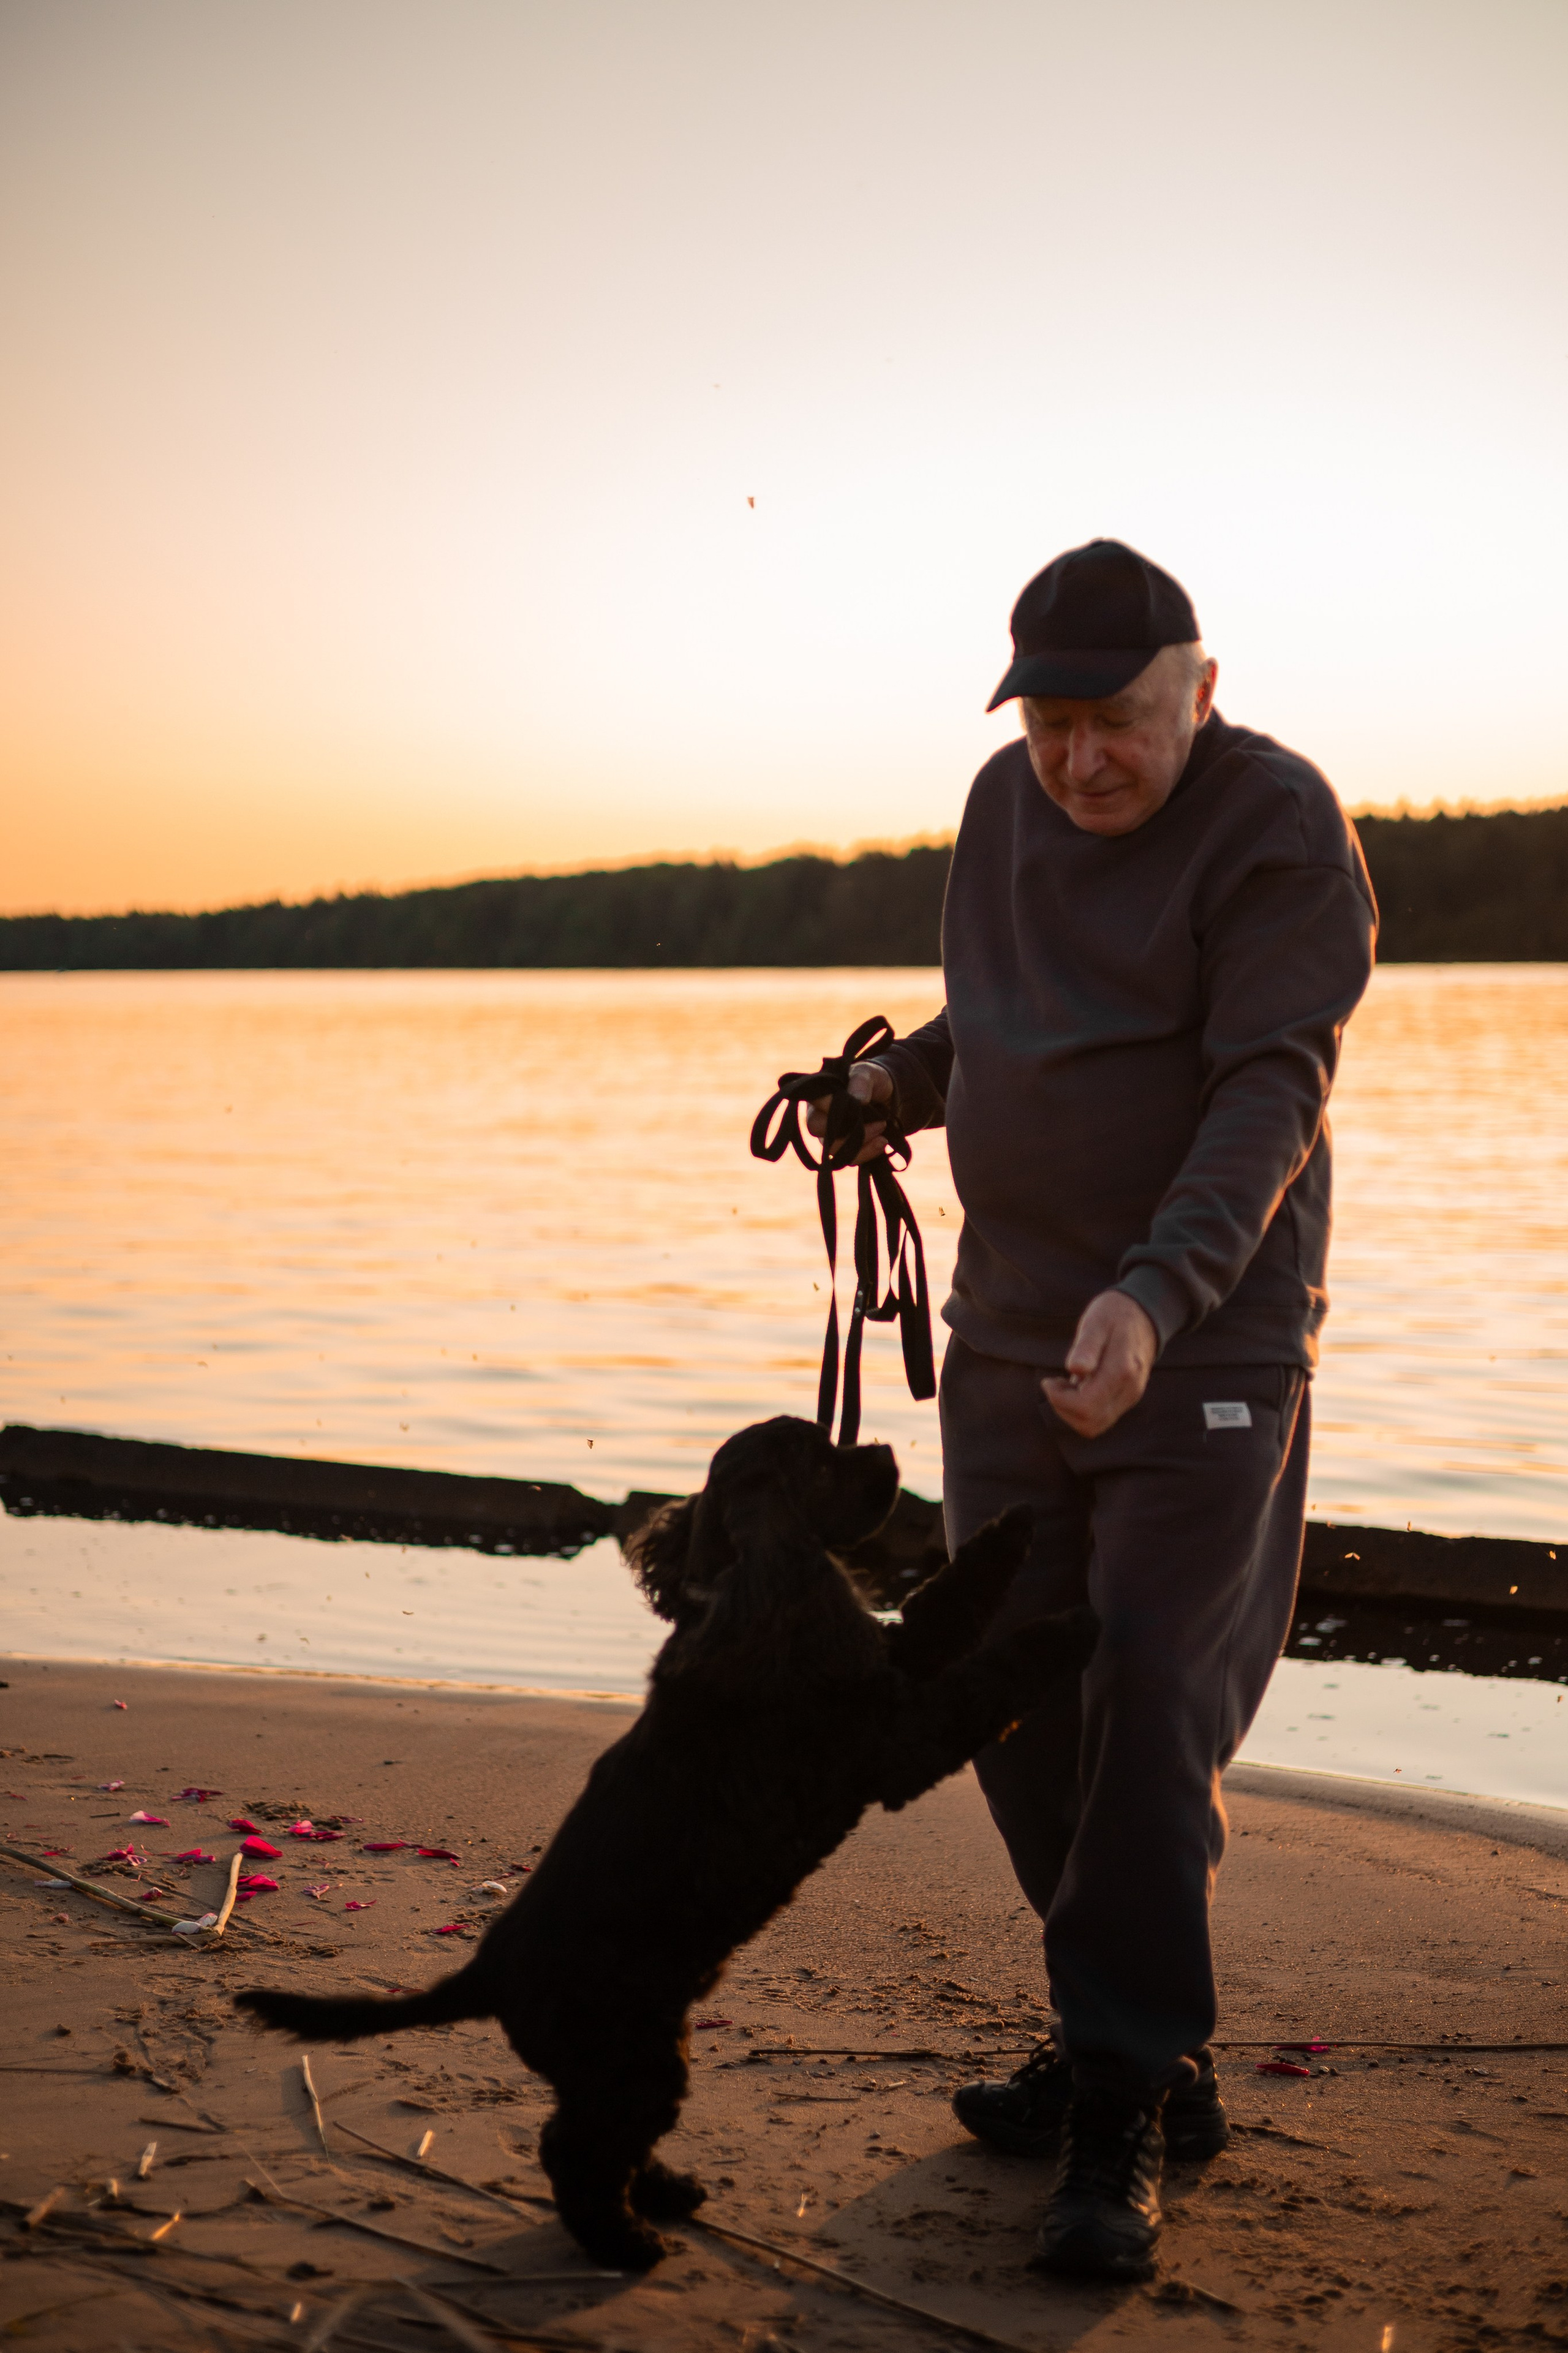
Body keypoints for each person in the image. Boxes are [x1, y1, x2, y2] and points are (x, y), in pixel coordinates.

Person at [809, 538, 1376, 2281]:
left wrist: (1157, 1293)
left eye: (1115, 720)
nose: (1079, 760)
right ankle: (1129, 2025)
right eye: (1049, 722)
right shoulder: (1002, 810)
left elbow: (1269, 1087)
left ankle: (1122, 2091)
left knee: (1148, 1683)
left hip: (1200, 1336)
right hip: (1009, 1335)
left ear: (1199, 689)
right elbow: (998, 1027)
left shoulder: (1278, 828)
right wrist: (894, 1085)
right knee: (1005, 1676)